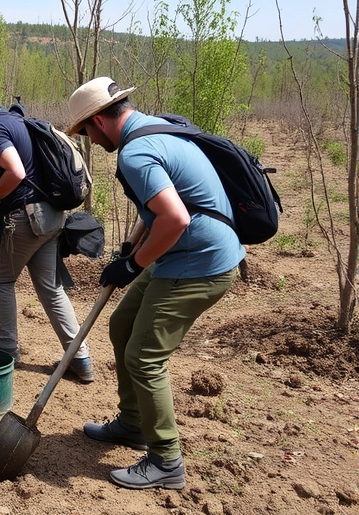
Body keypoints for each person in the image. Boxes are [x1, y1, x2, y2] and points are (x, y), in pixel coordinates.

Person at [66, 76, 244, 490]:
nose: (90, 140)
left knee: (144, 356)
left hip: (200, 263)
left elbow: (176, 218)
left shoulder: (137, 152)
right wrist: (130, 251)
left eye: (86, 132)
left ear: (99, 121)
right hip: (179, 256)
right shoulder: (156, 129)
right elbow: (158, 211)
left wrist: (133, 267)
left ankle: (166, 461)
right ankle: (133, 423)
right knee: (121, 326)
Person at [0, 83, 94, 382]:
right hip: (52, 217)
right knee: (51, 289)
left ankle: (5, 351)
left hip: (28, 217)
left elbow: (16, 172)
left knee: (0, 278)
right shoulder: (15, 119)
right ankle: (80, 359)